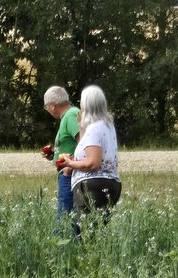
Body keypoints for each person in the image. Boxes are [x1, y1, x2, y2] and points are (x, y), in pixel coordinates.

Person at [58, 84, 121, 229]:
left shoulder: (94, 129)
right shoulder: (108, 126)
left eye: (81, 101)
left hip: (92, 186)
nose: (79, 104)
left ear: (87, 104)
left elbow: (93, 163)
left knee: (88, 232)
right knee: (100, 231)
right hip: (112, 182)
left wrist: (69, 163)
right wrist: (81, 127)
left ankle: (88, 253)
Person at [42, 85, 80, 217]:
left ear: (52, 105)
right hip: (67, 174)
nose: (47, 110)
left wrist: (71, 165)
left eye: (46, 107)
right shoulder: (68, 116)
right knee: (67, 220)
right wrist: (54, 155)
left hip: (70, 176)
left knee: (64, 221)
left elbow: (85, 142)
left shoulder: (71, 116)